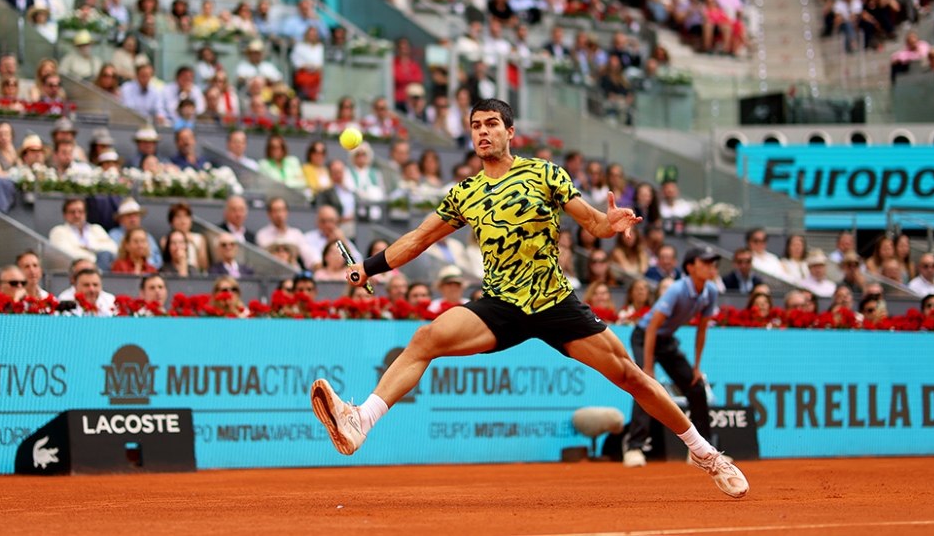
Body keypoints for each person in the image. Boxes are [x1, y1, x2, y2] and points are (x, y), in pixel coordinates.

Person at [309, 99, 748, 498]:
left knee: (631, 377)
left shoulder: (545, 174)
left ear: (510, 132)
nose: (483, 132)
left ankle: (706, 454)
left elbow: (592, 223)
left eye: (492, 124)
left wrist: (609, 223)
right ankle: (359, 421)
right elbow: (419, 238)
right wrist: (368, 267)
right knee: (426, 338)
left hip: (554, 302)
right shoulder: (465, 193)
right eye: (476, 125)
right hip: (501, 305)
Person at [622, 246, 722, 469]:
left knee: (696, 387)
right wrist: (648, 367)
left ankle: (702, 451)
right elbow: (651, 329)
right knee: (645, 387)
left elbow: (702, 329)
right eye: (704, 262)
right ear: (690, 267)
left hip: (666, 341)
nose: (711, 266)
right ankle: (634, 448)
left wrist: (696, 367)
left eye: (712, 262)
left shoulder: (711, 291)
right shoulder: (677, 290)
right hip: (645, 337)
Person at [48, 198, 118, 271]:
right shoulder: (58, 231)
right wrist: (95, 258)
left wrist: (91, 247)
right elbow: (65, 254)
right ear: (64, 214)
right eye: (72, 212)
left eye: (80, 211)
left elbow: (113, 248)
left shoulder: (96, 229)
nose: (77, 215)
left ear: (85, 213)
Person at [108, 199, 162, 270]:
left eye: (136, 215)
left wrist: (145, 268)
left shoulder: (148, 236)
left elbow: (158, 260)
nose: (133, 219)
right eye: (129, 215)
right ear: (120, 219)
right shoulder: (113, 235)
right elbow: (112, 259)